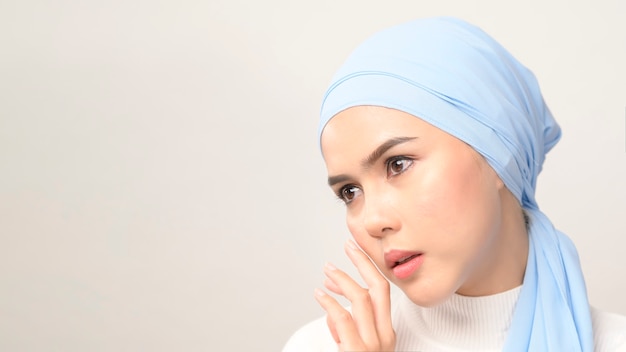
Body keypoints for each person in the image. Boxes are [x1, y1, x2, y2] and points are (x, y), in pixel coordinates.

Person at [283, 17, 626, 352]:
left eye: (397, 164)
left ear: (498, 154)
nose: (372, 221)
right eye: (350, 192)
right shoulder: (322, 346)